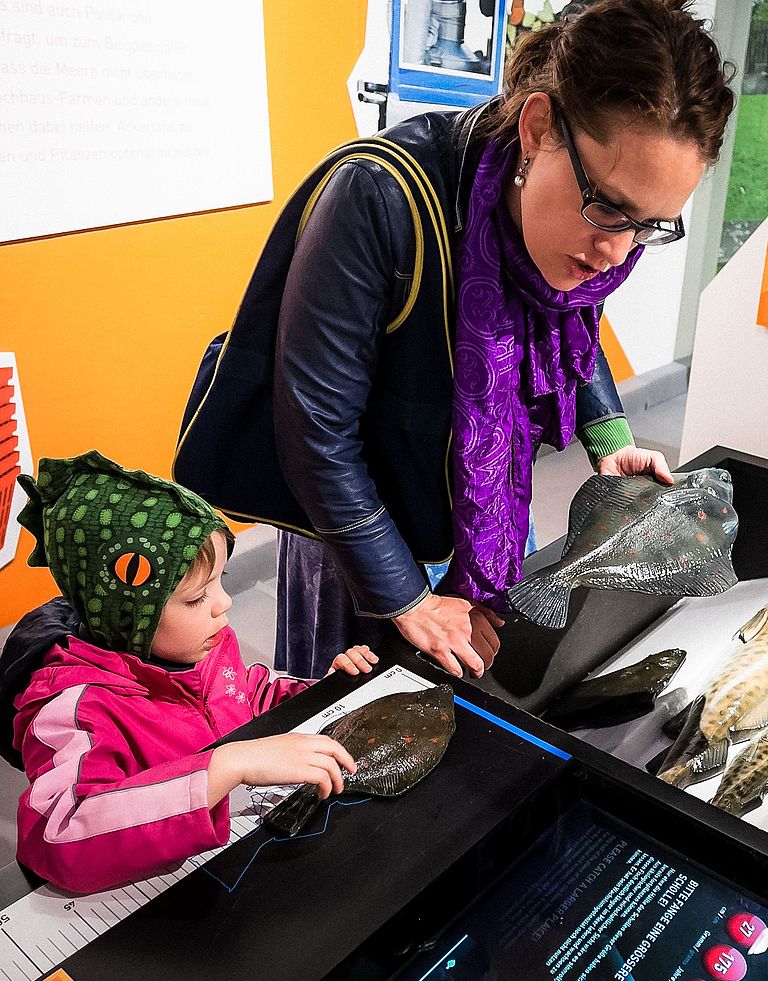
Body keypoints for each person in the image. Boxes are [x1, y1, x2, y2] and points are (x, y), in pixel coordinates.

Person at [175, 0, 734, 682]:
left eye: (649, 226)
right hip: (361, 522)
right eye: (609, 207)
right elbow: (315, 431)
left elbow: (564, 316)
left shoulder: (568, 225)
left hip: (488, 496)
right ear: (537, 130)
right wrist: (404, 595)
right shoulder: (377, 195)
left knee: (483, 704)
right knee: (353, 728)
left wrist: (610, 439)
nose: (616, 252)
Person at [2, 451, 377, 894]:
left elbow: (251, 694)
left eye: (221, 580)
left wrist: (324, 693)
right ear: (131, 613)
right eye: (198, 598)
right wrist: (227, 766)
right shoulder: (75, 706)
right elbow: (59, 833)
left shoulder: (203, 645)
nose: (225, 603)